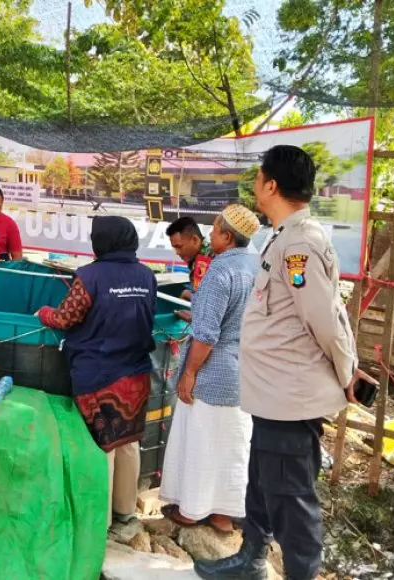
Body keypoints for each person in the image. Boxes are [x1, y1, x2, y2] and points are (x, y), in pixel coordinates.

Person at [194, 145, 376, 580]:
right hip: (272, 396)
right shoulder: (283, 237)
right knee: (261, 486)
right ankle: (251, 561)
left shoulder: (300, 244)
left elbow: (325, 318)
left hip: (290, 398)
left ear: (271, 185)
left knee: (292, 500)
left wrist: (347, 371)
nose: (256, 183)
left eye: (259, 177)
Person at [37, 216, 156, 527]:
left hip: (99, 375)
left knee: (101, 446)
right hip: (137, 374)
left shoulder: (89, 276)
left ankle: (98, 523)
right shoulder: (147, 276)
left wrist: (44, 313)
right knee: (128, 442)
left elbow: (65, 318)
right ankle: (125, 511)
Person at [159, 204, 260, 534]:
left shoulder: (220, 271)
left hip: (214, 372)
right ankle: (223, 516)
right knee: (232, 446)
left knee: (202, 442)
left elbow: (206, 335)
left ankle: (192, 511)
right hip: (245, 371)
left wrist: (189, 372)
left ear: (227, 237)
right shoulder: (255, 265)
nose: (209, 236)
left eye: (214, 230)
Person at [166, 216, 213, 302]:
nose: (177, 252)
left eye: (179, 246)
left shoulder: (208, 260)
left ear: (195, 240)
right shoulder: (197, 258)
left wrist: (186, 294)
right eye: (174, 247)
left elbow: (206, 300)